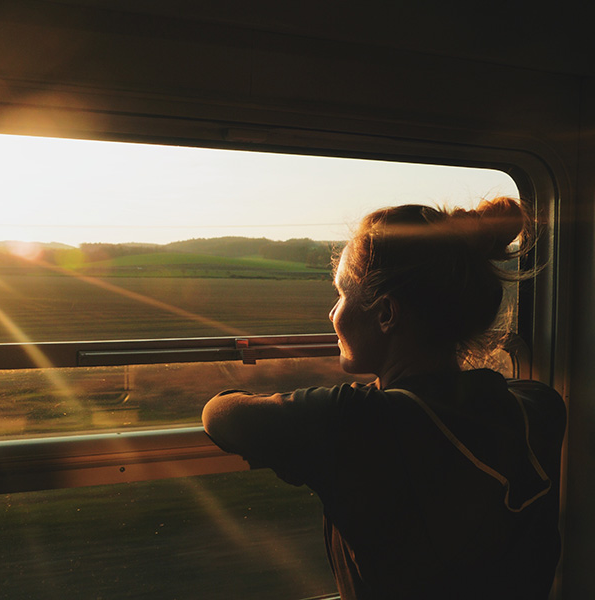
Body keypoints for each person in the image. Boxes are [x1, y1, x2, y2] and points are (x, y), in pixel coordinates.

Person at [201, 197, 565, 600]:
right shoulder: (539, 406)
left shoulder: (354, 421)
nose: (332, 314)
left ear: (387, 314)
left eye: (341, 294)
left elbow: (220, 414)